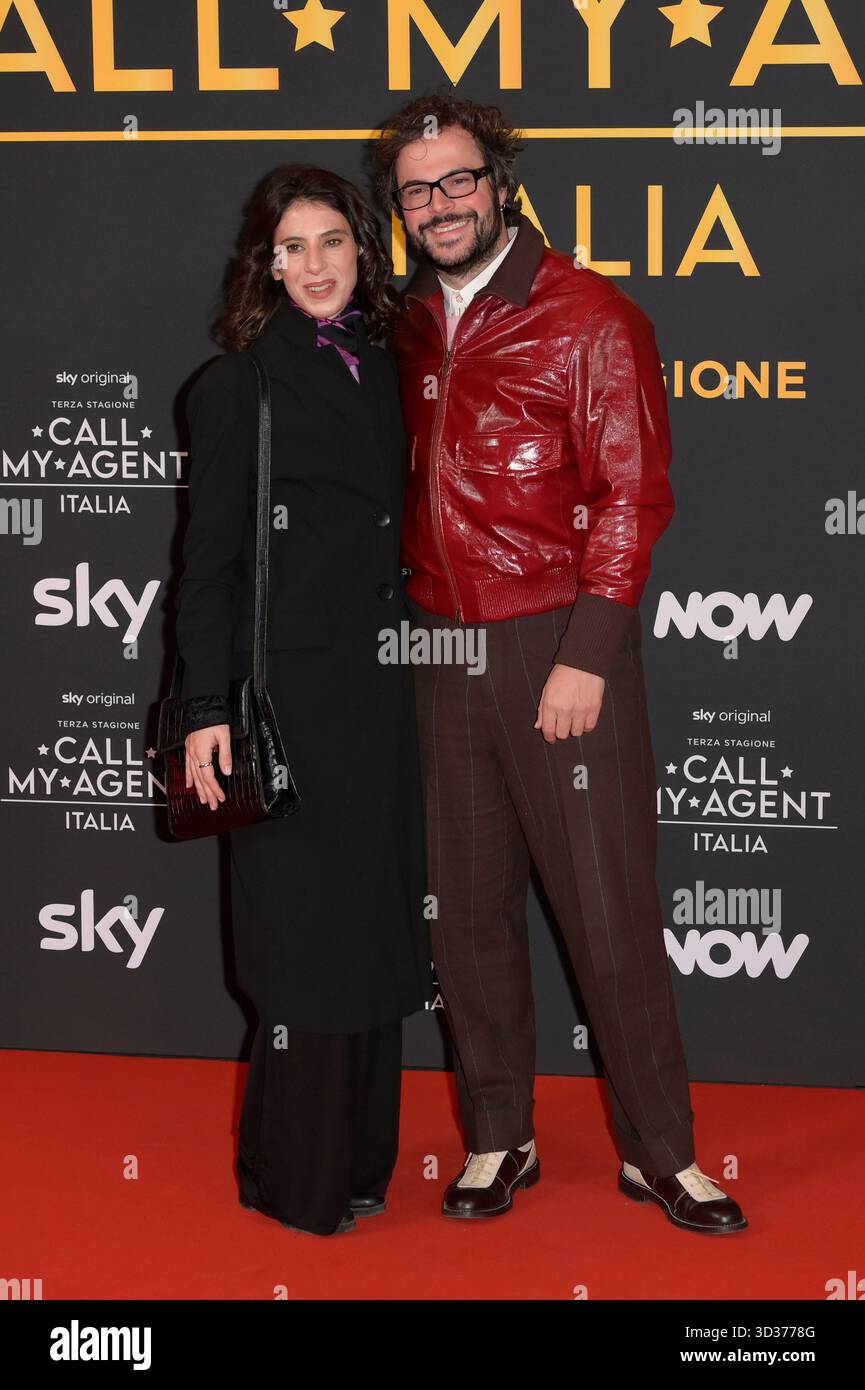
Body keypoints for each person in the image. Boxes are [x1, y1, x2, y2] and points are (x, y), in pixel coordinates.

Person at [369, 94, 747, 1234]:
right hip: (436, 643)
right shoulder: (404, 326)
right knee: (466, 916)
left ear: (502, 183)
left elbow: (632, 496)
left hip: (555, 644)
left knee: (608, 911)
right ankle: (498, 1135)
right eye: (417, 189)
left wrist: (587, 653)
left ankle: (660, 1152)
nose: (439, 204)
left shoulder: (591, 318)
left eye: (458, 180)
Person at [173, 164, 433, 1236]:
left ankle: (365, 1162)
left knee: (372, 933)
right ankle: (298, 1180)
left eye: (333, 241)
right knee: (305, 944)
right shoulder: (240, 385)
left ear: (363, 252)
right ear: (264, 263)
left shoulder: (388, 365)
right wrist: (203, 711)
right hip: (286, 705)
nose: (316, 265)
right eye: (294, 247)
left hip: (386, 700)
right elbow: (208, 568)